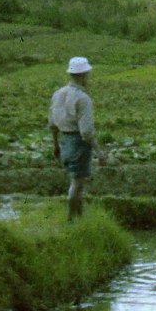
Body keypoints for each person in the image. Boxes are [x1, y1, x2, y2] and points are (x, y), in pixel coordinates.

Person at [48, 56, 97, 220]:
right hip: (78, 143)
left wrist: (56, 146)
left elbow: (52, 124)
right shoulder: (83, 99)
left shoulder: (58, 94)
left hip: (64, 141)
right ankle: (70, 219)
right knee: (77, 184)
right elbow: (86, 132)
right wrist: (99, 152)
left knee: (77, 181)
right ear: (84, 75)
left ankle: (80, 219)